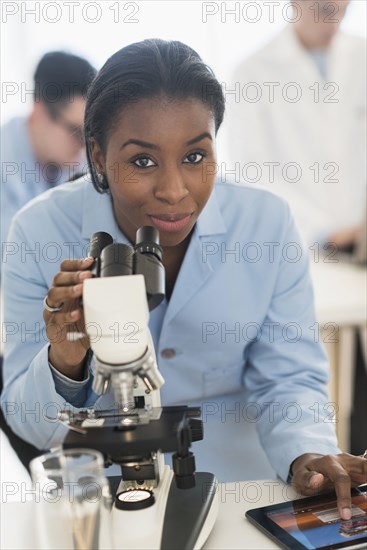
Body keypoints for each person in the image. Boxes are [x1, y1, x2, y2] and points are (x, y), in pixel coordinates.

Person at [1, 39, 366, 520]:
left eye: (195, 157)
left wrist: (305, 453)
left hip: (246, 492)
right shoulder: (38, 231)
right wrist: (65, 360)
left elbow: (289, 377)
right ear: (96, 155)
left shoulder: (266, 224)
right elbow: (30, 427)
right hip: (106, 498)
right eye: (142, 161)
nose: (175, 191)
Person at [222, 0, 366, 247]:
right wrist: (321, 234)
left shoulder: (361, 57)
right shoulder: (252, 74)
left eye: (344, 11)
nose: (334, 24)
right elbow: (251, 172)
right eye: (323, 10)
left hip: (360, 240)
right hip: (302, 244)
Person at [1, 51, 96, 246]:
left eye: (90, 135)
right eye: (75, 132)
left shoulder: (79, 159)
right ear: (38, 111)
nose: (84, 147)